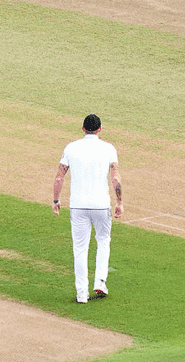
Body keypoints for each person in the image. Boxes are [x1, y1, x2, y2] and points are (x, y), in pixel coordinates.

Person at [53, 113, 123, 303]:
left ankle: (81, 293)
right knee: (103, 241)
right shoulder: (108, 149)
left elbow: (60, 176)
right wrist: (119, 202)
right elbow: (115, 178)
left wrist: (56, 200)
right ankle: (100, 281)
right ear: (99, 129)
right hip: (101, 205)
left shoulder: (71, 148)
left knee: (80, 249)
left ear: (83, 128)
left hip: (78, 206)